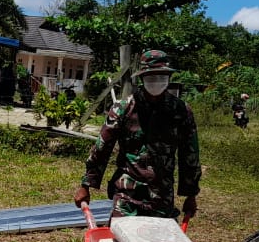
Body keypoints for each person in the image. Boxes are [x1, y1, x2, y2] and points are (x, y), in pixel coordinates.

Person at [73, 49, 200, 221]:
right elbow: (102, 147)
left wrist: (190, 194)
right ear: (142, 79)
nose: (157, 82)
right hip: (127, 193)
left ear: (169, 79)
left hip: (161, 195)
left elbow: (190, 154)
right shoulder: (124, 108)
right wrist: (86, 185)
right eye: (151, 78)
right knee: (120, 241)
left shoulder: (181, 111)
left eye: (162, 77)